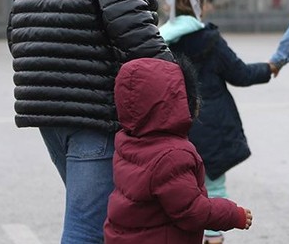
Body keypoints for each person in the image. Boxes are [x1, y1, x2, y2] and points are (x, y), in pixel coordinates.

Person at [7, 0, 172, 243]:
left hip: (46, 104)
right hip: (92, 109)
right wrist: (172, 71)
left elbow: (16, 28)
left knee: (100, 218)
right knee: (89, 228)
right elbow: (126, 13)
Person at [159, 0, 273, 244]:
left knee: (177, 189)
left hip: (174, 128)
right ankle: (212, 236)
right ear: (204, 6)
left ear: (170, 6)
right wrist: (269, 69)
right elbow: (240, 74)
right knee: (214, 188)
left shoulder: (158, 42)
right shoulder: (211, 40)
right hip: (213, 125)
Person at [104, 57, 252, 243]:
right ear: (174, 103)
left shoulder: (127, 141)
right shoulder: (172, 156)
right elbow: (192, 211)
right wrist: (233, 214)